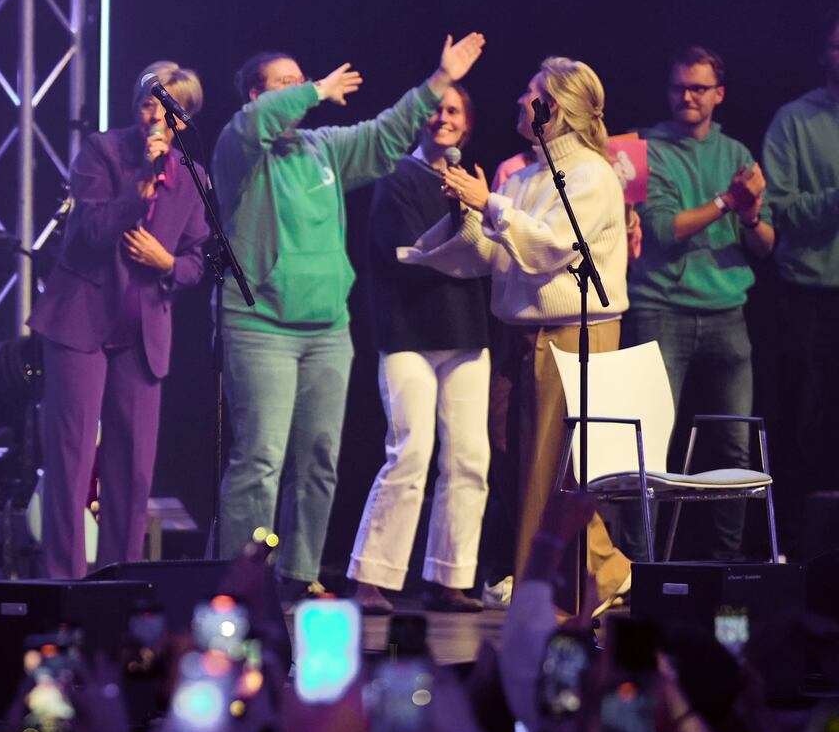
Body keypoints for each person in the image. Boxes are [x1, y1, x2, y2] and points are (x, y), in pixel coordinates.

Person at [211, 32, 486, 600]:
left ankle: (299, 571)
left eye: (300, 79)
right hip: (261, 325)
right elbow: (257, 123)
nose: (300, 90)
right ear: (255, 98)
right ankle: (240, 581)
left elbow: (387, 134)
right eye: (284, 83)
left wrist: (438, 80)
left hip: (326, 330)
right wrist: (312, 88)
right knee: (260, 460)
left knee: (318, 460)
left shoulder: (323, 148)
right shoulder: (240, 149)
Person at [402, 56, 631, 614]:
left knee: (546, 468)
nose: (519, 104)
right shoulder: (524, 176)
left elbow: (553, 246)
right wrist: (465, 217)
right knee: (507, 451)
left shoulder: (591, 175)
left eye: (532, 96)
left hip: (571, 333)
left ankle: (549, 596)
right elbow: (495, 255)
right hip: (520, 334)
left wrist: (491, 206)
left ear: (559, 108)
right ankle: (605, 568)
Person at [27, 62, 212, 579]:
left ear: (184, 117)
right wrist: (141, 187)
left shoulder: (195, 179)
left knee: (132, 469)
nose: (153, 114)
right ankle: (64, 581)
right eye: (146, 103)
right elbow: (91, 231)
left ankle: (117, 582)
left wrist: (168, 263)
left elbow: (198, 260)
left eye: (165, 106)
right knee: (72, 459)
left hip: (143, 332)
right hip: (80, 323)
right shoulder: (102, 154)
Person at [622, 46, 774, 561]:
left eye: (698, 88)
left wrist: (750, 215)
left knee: (733, 446)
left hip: (727, 315)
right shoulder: (645, 147)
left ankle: (727, 567)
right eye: (678, 87)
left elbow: (766, 244)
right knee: (651, 448)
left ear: (719, 95)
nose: (686, 96)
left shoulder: (736, 153)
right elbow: (663, 230)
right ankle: (641, 570)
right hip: (661, 309)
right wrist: (729, 202)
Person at [347, 85, 490, 615]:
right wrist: (467, 225)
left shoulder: (471, 182)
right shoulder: (397, 178)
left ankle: (452, 578)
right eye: (435, 109)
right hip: (408, 332)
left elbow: (488, 248)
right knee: (410, 450)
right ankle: (371, 579)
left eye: (454, 110)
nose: (442, 118)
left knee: (470, 457)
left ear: (467, 125)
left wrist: (477, 212)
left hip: (466, 332)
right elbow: (410, 252)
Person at [763, 11, 839, 551]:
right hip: (809, 293)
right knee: (807, 426)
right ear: (823, 56)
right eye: (838, 48)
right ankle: (803, 549)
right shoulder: (794, 119)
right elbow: (781, 212)